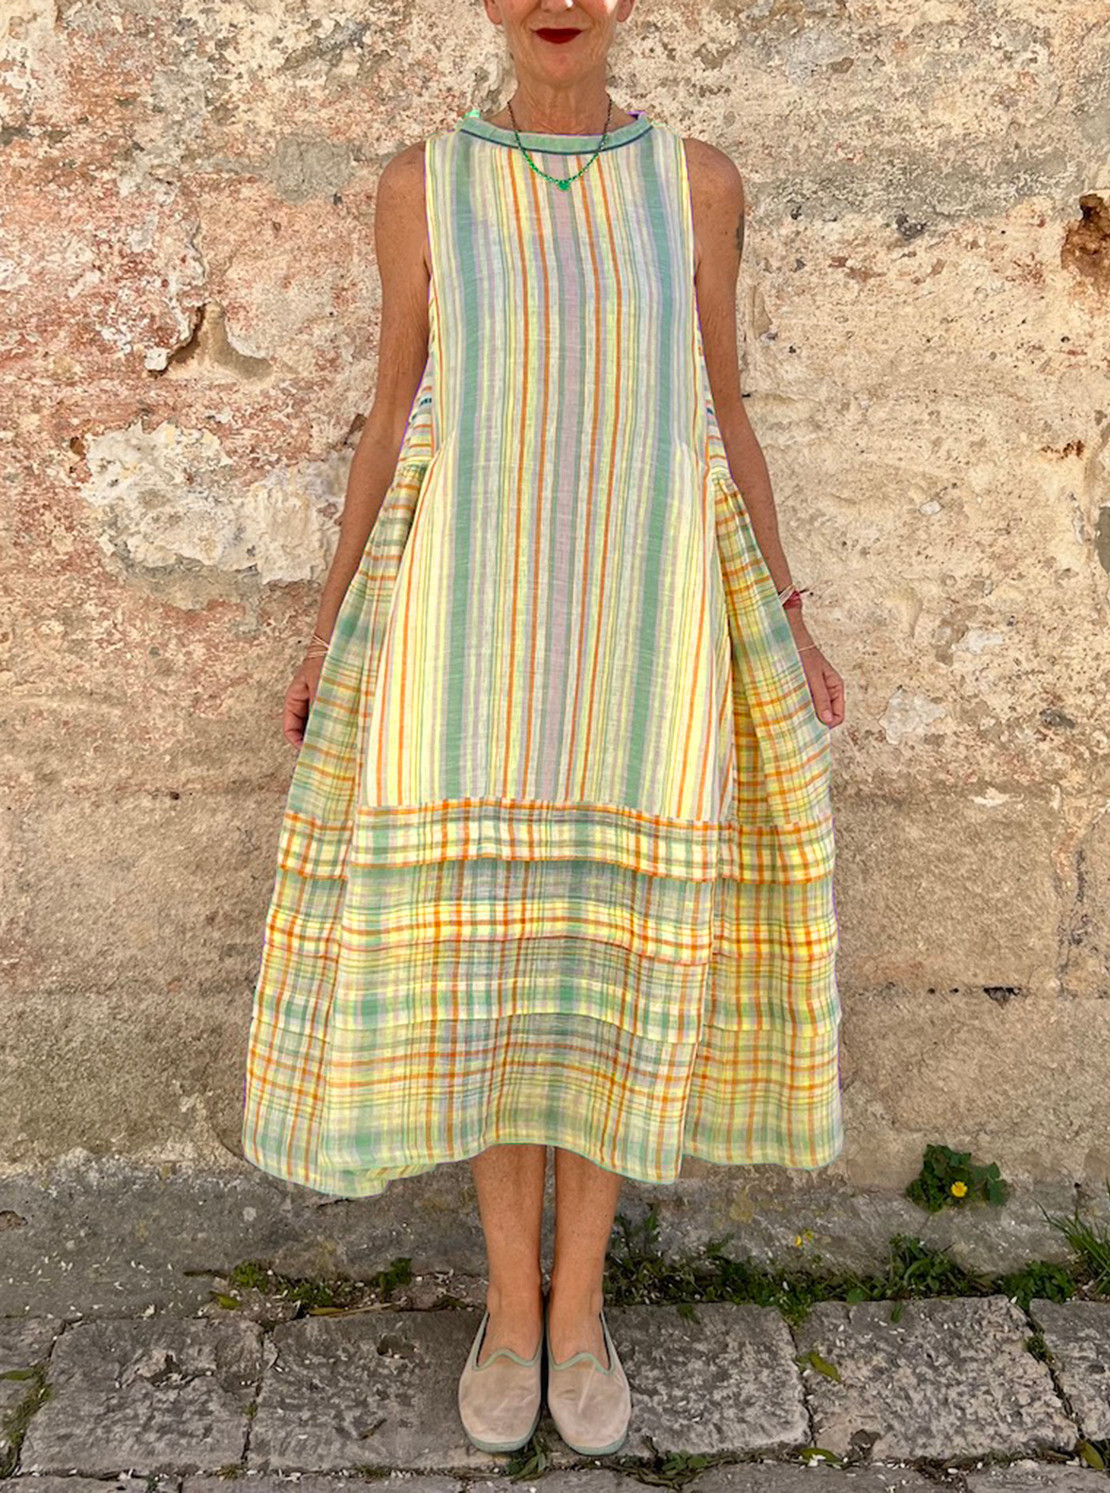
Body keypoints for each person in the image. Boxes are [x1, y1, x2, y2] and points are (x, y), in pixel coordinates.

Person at [240, 0, 846, 1462]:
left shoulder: (695, 184)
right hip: (469, 639)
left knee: (603, 972)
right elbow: (392, 417)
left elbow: (724, 414)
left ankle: (583, 1311)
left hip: (644, 639)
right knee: (497, 984)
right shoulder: (425, 184)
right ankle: (510, 1311)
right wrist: (326, 630)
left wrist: (788, 611)